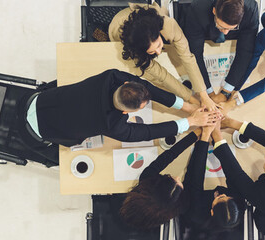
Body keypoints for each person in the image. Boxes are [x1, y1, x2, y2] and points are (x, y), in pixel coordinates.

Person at [28, 69, 219, 147]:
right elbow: (146, 132)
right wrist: (191, 121)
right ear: (126, 112)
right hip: (42, 131)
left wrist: (186, 106)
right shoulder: (112, 125)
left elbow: (148, 88)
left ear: (126, 83)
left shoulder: (111, 78)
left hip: (41, 100)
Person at [120, 124, 245, 239]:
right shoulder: (188, 206)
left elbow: (175, 161)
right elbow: (195, 177)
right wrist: (203, 135)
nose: (179, 177)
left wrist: (199, 134)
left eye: (172, 178)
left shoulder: (148, 181)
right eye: (180, 184)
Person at [109, 2, 219, 111]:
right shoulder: (134, 47)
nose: (158, 52)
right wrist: (191, 98)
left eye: (158, 45)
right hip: (118, 29)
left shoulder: (170, 25)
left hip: (145, 20)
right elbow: (162, 75)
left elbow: (188, 58)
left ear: (158, 33)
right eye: (152, 52)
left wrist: (203, 95)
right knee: (150, 76)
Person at [180, 0, 259, 101]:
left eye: (231, 28)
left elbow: (245, 52)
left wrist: (225, 92)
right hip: (202, 26)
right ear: (214, 11)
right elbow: (195, 54)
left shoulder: (251, 8)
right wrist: (208, 92)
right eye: (222, 26)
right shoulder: (198, 8)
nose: (226, 33)